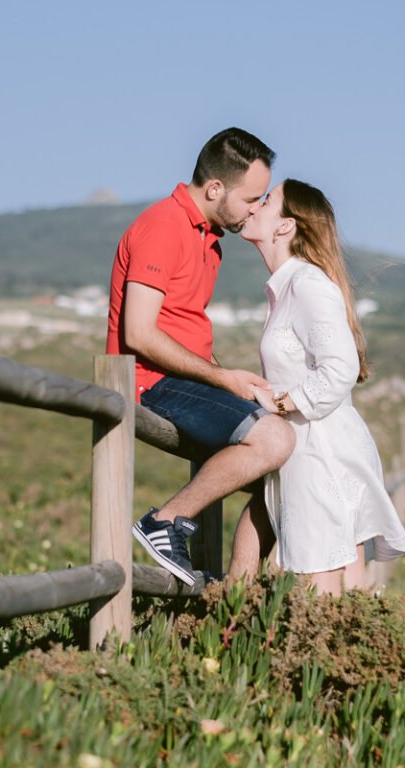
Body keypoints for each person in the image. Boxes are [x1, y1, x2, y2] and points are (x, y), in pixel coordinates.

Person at [106, 127, 295, 586]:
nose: (256, 208)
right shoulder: (163, 227)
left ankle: (236, 599)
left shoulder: (208, 240)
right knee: (274, 442)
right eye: (252, 199)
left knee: (296, 463)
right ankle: (165, 522)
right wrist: (223, 377)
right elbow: (139, 332)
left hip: (183, 381)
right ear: (215, 189)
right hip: (151, 381)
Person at [237, 179, 405, 595]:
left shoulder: (306, 285)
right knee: (339, 588)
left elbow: (340, 366)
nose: (253, 206)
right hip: (311, 447)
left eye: (266, 201)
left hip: (320, 452)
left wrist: (282, 404)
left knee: (324, 590)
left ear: (285, 227)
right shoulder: (289, 287)